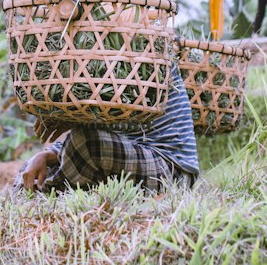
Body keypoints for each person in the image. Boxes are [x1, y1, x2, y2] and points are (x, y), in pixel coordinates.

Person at [21, 57, 199, 193]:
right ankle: (32, 188)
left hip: (171, 171)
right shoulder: (102, 61)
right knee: (35, 163)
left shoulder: (152, 58)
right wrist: (46, 155)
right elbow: (99, 135)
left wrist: (73, 118)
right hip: (128, 157)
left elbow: (96, 133)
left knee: (87, 143)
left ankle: (43, 193)